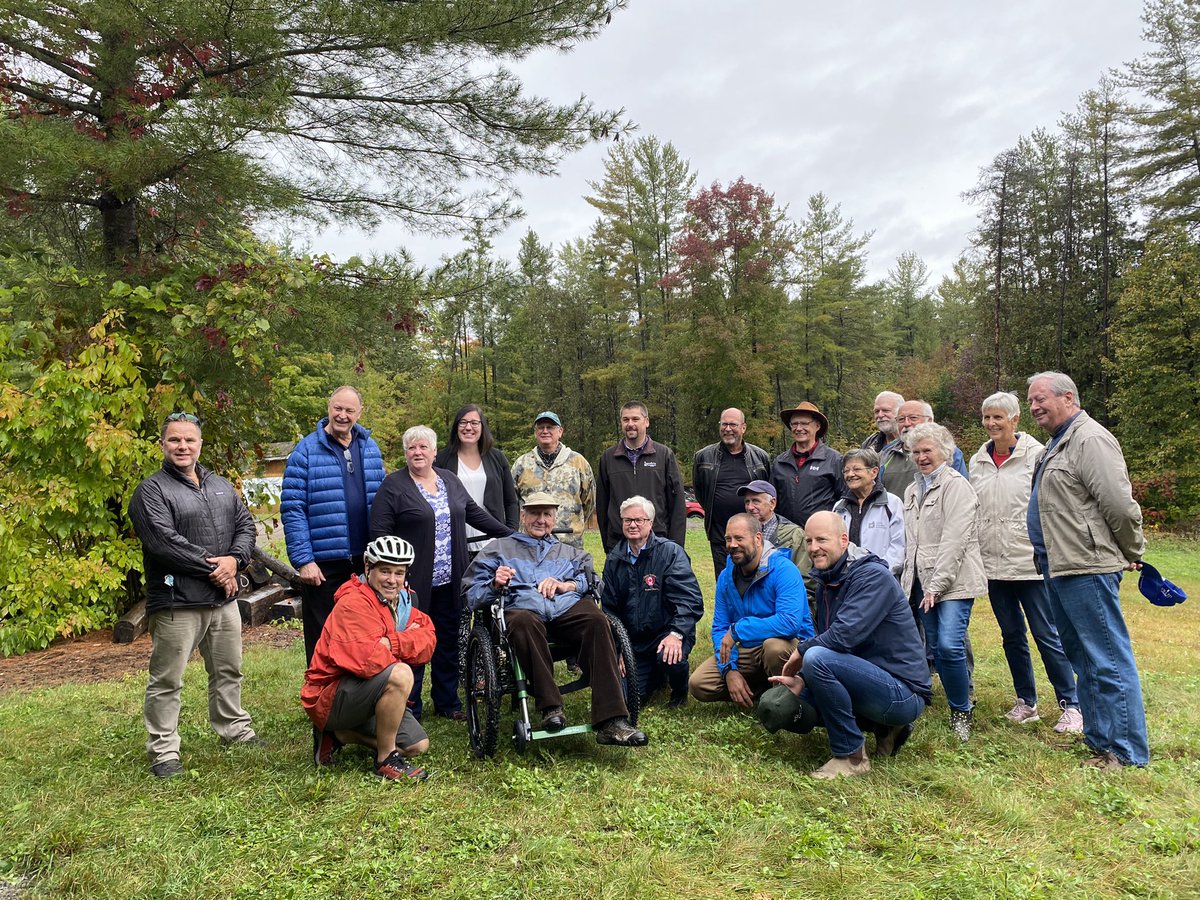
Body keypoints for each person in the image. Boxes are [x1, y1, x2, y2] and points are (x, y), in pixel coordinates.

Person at [1026, 371, 1148, 769]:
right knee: (1082, 657)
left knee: (1107, 658)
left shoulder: (1090, 439)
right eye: (1030, 401)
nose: (1034, 407)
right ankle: (1101, 742)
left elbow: (1118, 503)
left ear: (1068, 398)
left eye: (1040, 398)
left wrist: (1132, 550)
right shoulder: (1056, 443)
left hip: (1088, 566)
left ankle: (1126, 752)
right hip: (1060, 567)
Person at [128, 412, 260, 778]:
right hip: (177, 602)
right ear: (163, 445)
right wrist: (218, 570)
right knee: (167, 679)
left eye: (189, 440)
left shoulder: (219, 485)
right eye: (174, 440)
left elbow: (245, 525)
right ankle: (164, 751)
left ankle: (234, 730)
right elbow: (164, 543)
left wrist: (235, 560)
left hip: (224, 601)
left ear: (200, 444)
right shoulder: (150, 491)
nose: (182, 446)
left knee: (228, 671)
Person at [464, 493, 648, 746]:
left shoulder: (569, 552)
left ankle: (612, 719)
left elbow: (594, 582)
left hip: (566, 609)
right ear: (523, 516)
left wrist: (567, 584)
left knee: (597, 620)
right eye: (535, 514)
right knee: (522, 622)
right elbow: (471, 594)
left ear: (554, 518)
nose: (541, 520)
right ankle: (550, 707)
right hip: (523, 611)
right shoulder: (498, 549)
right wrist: (496, 583)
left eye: (547, 514)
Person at [757, 512, 931, 779]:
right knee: (780, 704)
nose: (814, 548)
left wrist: (802, 653)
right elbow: (831, 643)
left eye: (822, 540)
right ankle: (885, 729)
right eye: (809, 541)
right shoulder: (826, 581)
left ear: (844, 540)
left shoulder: (872, 577)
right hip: (865, 679)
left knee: (816, 658)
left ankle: (852, 756)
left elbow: (842, 638)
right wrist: (802, 680)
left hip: (902, 693)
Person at [369, 425, 511, 721]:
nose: (417, 452)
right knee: (412, 644)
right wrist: (388, 576)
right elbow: (379, 534)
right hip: (411, 585)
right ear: (405, 453)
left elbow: (474, 514)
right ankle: (410, 707)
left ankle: (447, 702)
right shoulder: (393, 486)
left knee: (447, 641)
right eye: (411, 448)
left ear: (434, 452)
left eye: (423, 447)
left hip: (452, 579)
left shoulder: (449, 480)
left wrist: (511, 534)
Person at [969, 391, 1082, 733]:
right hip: (993, 564)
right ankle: (1026, 702)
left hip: (1030, 563)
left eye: (998, 417)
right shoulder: (978, 461)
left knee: (1047, 634)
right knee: (1011, 635)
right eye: (987, 417)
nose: (991, 424)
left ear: (1015, 419)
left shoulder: (1038, 455)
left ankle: (1072, 704)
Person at [302, 536, 435, 781]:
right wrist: (403, 642)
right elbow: (366, 661)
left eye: (399, 573)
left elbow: (428, 642)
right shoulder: (353, 604)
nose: (392, 580)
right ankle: (386, 760)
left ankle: (340, 735)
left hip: (366, 693)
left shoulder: (402, 601)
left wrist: (391, 642)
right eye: (385, 571)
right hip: (330, 696)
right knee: (401, 673)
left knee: (418, 745)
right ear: (367, 568)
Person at [282, 386, 387, 664]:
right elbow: (293, 508)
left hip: (366, 560)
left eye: (349, 410)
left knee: (364, 633)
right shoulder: (305, 451)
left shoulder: (369, 447)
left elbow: (383, 501)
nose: (342, 415)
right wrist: (304, 560)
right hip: (324, 565)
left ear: (359, 413)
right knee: (322, 638)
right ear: (329, 408)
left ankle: (358, 700)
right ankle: (322, 701)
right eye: (337, 408)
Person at [900, 423, 986, 742]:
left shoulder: (957, 487)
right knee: (935, 647)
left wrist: (937, 585)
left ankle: (961, 710)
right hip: (923, 582)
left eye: (928, 451)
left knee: (950, 645)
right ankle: (955, 702)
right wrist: (909, 585)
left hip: (955, 581)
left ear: (944, 452)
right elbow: (912, 544)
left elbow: (955, 541)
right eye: (916, 452)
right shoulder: (912, 491)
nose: (922, 457)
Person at [689, 514, 813, 707]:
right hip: (749, 648)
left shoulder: (783, 569)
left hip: (789, 647)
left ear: (757, 539)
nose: (732, 545)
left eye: (739, 538)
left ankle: (786, 701)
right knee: (699, 684)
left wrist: (739, 630)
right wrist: (729, 670)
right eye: (728, 539)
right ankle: (761, 690)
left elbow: (790, 623)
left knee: (774, 648)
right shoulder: (726, 577)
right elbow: (720, 627)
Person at [601, 496, 704, 708]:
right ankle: (656, 675)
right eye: (628, 520)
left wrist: (676, 634)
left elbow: (691, 600)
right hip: (635, 643)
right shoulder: (614, 559)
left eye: (639, 520)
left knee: (670, 657)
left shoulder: (670, 552)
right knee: (627, 700)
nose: (633, 525)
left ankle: (679, 691)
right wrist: (621, 649)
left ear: (650, 522)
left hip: (667, 633)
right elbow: (609, 610)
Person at [596, 401, 686, 553]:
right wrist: (608, 545)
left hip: (657, 541)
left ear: (646, 421)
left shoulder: (664, 455)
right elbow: (602, 505)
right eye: (626, 419)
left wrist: (675, 547)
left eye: (635, 419)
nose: (630, 424)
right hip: (619, 543)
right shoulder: (608, 458)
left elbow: (677, 504)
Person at [693, 407, 772, 577]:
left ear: (743, 427)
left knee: (754, 579)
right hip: (719, 535)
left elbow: (767, 492)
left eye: (733, 425)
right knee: (724, 581)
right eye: (724, 424)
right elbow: (701, 493)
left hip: (752, 535)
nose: (728, 429)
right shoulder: (703, 457)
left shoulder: (761, 457)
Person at [434, 403, 519, 555]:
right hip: (456, 543)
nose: (468, 428)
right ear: (456, 427)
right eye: (463, 422)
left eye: (474, 423)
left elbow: (511, 501)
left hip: (493, 542)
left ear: (483, 427)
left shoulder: (497, 458)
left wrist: (510, 534)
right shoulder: (442, 460)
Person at [510, 411, 595, 550]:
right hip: (530, 545)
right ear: (535, 432)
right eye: (540, 427)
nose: (545, 431)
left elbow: (589, 502)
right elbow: (512, 503)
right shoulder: (522, 464)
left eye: (550, 427)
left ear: (560, 431)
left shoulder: (578, 463)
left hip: (568, 544)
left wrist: (570, 523)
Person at [771, 401, 845, 528]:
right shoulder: (780, 462)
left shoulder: (834, 460)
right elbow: (772, 502)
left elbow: (844, 499)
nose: (799, 428)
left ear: (817, 426)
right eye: (794, 424)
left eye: (804, 423)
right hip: (787, 535)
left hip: (822, 533)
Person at [832, 449, 905, 576]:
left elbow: (899, 547)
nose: (850, 474)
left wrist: (877, 574)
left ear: (874, 472)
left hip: (882, 580)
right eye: (846, 470)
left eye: (856, 469)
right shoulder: (838, 507)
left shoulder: (892, 503)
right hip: (845, 581)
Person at [880, 400, 968, 498]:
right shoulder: (885, 454)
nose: (906, 424)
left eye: (913, 418)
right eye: (901, 419)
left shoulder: (948, 451)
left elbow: (960, 493)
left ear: (929, 421)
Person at [738, 480, 814, 582]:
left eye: (756, 501)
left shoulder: (794, 535)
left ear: (772, 503)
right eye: (747, 502)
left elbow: (804, 579)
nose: (750, 507)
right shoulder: (739, 532)